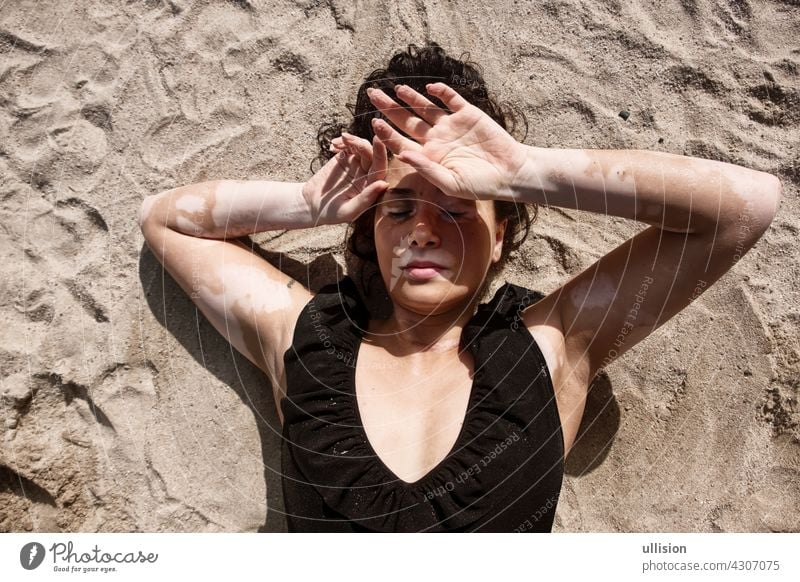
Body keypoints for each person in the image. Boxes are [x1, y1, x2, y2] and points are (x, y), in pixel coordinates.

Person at [138, 43, 783, 532]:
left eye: (455, 207)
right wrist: (309, 203)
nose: (421, 229)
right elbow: (167, 222)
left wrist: (528, 170)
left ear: (501, 236)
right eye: (397, 209)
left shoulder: (554, 347)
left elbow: (744, 207)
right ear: (370, 230)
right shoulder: (304, 334)